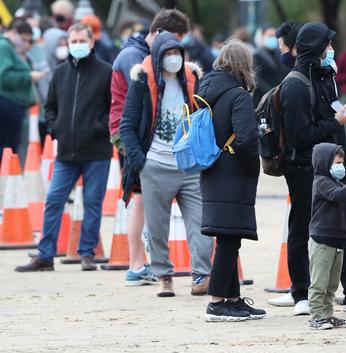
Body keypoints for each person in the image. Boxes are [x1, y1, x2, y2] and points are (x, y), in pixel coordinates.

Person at [267, 22, 346, 316]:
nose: (332, 50)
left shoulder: (327, 76)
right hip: (303, 167)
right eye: (327, 46)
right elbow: (299, 136)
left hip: (334, 165)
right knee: (302, 227)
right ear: (316, 49)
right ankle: (300, 295)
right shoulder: (295, 84)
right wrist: (336, 123)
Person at [119, 31, 213, 298]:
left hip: (191, 167)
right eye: (168, 53)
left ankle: (201, 274)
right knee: (158, 228)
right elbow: (127, 125)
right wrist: (140, 161)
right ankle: (164, 276)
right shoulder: (141, 82)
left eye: (177, 53)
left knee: (202, 224)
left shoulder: (194, 79)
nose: (173, 59)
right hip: (155, 166)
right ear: (158, 56)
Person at [14, 24, 112, 272]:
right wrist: (57, 128)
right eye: (73, 40)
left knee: (92, 203)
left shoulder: (105, 72)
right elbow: (50, 107)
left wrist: (98, 128)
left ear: (91, 43)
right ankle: (45, 255)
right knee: (54, 200)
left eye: (81, 39)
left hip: (96, 152)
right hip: (66, 153)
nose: (76, 44)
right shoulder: (59, 73)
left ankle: (87, 254)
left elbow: (114, 109)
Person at [109, 9, 190, 287]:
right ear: (157, 35)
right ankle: (137, 263)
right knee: (141, 199)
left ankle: (142, 263)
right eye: (173, 41)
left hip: (140, 136)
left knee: (144, 200)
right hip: (135, 137)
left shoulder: (136, 52)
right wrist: (141, 158)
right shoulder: (136, 59)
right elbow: (136, 111)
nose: (175, 52)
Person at [198, 40, 266, 322]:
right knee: (229, 238)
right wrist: (253, 167)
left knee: (228, 236)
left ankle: (233, 299)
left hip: (213, 168)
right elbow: (247, 138)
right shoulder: (238, 95)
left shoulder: (205, 89)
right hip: (233, 171)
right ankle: (217, 301)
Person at [308, 143, 346, 330]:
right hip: (322, 240)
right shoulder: (321, 182)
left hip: (338, 241)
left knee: (332, 284)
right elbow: (336, 195)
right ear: (324, 162)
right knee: (319, 282)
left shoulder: (337, 183)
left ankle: (327, 315)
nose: (341, 166)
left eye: (342, 162)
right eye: (337, 162)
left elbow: (345, 194)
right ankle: (316, 316)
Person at [0, 19, 37, 153]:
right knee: (7, 148)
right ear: (14, 32)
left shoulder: (9, 47)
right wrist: (29, 76)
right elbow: (4, 77)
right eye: (23, 39)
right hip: (7, 104)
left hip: (11, 104)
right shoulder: (4, 46)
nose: (25, 44)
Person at [252, 25, 289, 106]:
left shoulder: (279, 53)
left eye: (275, 36)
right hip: (263, 100)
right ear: (262, 37)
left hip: (279, 98)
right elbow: (257, 79)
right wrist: (273, 92)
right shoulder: (257, 55)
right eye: (270, 36)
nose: (273, 38)